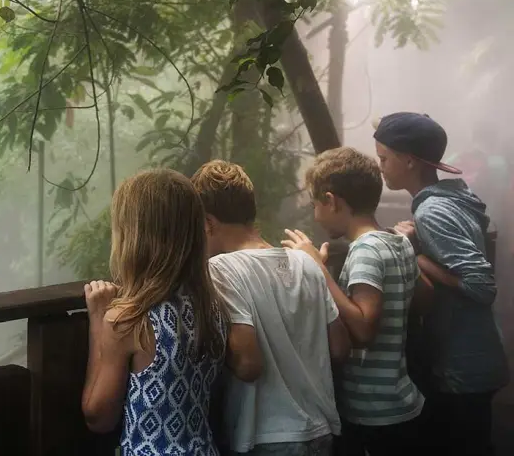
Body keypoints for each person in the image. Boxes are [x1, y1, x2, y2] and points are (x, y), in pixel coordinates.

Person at [191, 160, 349, 456]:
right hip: (321, 430)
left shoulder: (221, 269)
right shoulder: (305, 262)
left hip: (267, 437)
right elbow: (340, 347)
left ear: (209, 222)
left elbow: (249, 365)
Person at [374, 112, 509, 456]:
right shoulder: (448, 199)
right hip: (475, 357)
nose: (381, 167)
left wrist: (414, 253)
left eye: (384, 159)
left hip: (462, 366)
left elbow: (481, 285)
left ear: (409, 161)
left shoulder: (433, 211)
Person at [281, 147, 425, 455]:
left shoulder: (365, 250)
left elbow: (363, 330)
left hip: (373, 410)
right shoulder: (397, 242)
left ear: (331, 201)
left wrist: (318, 270)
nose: (315, 214)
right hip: (400, 398)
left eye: (314, 204)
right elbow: (425, 301)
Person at [81, 168, 227, 455]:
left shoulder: (129, 320)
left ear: (133, 239)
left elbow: (98, 417)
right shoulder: (212, 308)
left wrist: (98, 321)